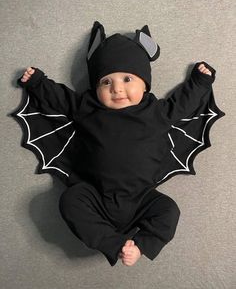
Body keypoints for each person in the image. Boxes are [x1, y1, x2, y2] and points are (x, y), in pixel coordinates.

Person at [16, 21, 224, 267]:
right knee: (70, 201)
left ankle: (141, 245)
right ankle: (115, 245)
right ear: (96, 87)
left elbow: (183, 104)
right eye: (106, 82)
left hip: (142, 198)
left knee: (169, 210)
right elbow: (60, 100)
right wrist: (38, 83)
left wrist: (199, 82)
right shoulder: (87, 106)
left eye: (127, 79)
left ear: (145, 85)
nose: (117, 88)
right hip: (94, 194)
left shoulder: (155, 111)